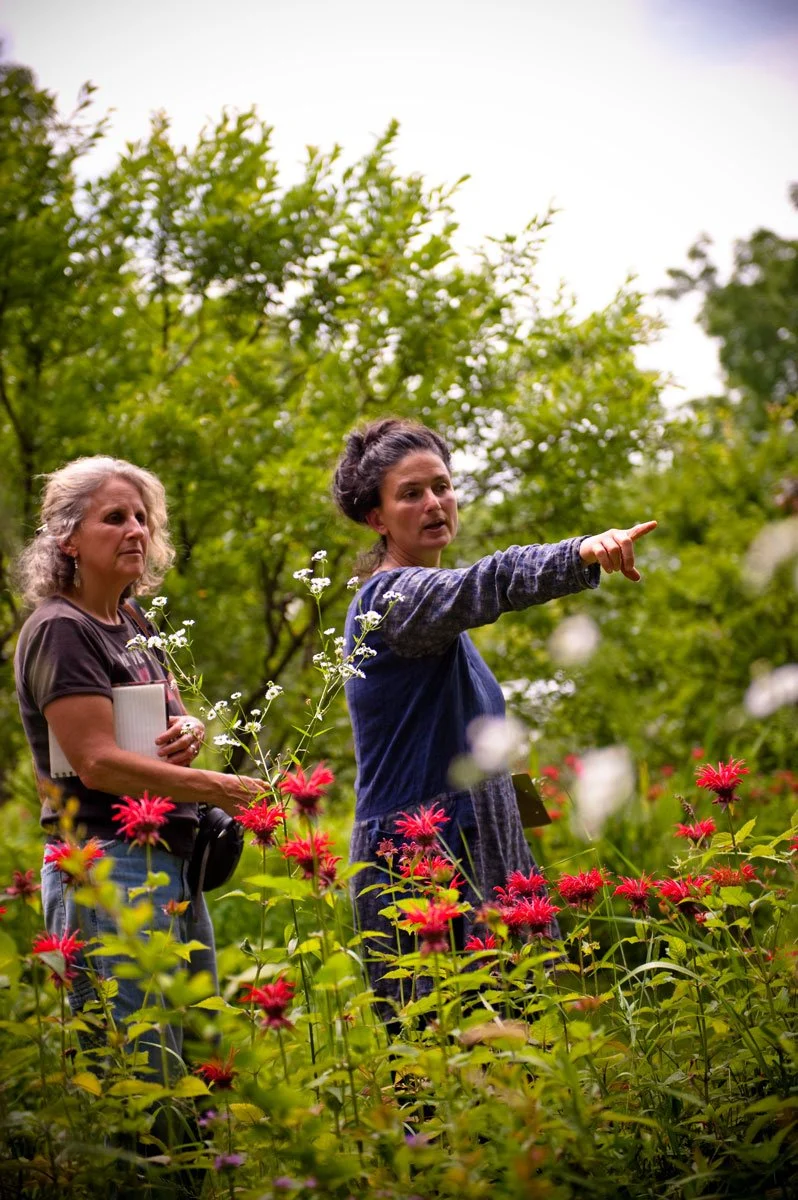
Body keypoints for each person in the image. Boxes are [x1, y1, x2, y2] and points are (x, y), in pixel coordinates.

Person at [333, 418, 656, 1017]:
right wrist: (578, 554)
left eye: (442, 486)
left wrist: (526, 829)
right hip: (421, 859)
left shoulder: (438, 621)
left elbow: (477, 746)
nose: (434, 503)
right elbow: (491, 581)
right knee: (443, 1062)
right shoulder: (392, 601)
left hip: (482, 842)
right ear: (376, 518)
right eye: (410, 493)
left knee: (518, 1055)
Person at [14, 456, 262, 1081]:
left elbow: (160, 731)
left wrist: (189, 732)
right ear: (67, 538)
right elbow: (97, 764)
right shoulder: (59, 630)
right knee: (138, 1076)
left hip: (168, 866)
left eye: (142, 518)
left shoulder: (130, 621)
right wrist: (219, 788)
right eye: (114, 517)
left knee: (193, 1065)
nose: (136, 531)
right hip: (107, 869)